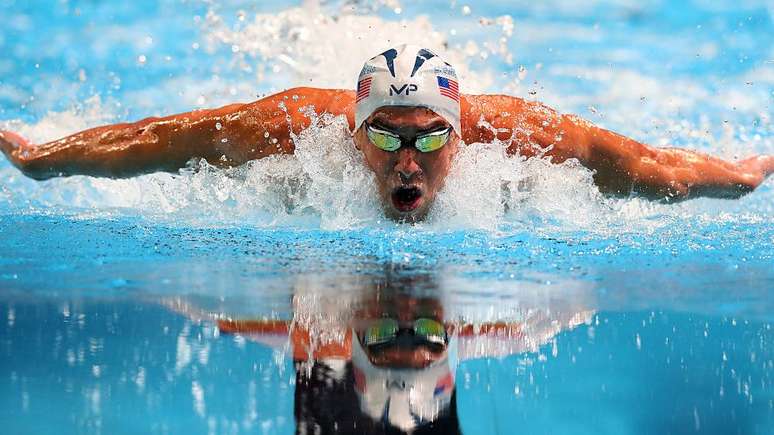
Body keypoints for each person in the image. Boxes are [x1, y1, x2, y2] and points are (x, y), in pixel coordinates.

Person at [1, 44, 771, 222]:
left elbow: (644, 166)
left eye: (430, 138)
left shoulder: (517, 135)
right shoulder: (297, 126)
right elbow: (155, 140)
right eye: (388, 138)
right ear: (353, 130)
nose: (409, 159)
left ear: (460, 136)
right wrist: (45, 162)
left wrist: (735, 180)